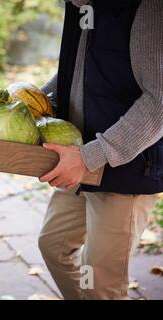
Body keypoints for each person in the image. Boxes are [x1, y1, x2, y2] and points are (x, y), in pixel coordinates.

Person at [38, 0, 163, 299]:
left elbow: (160, 101)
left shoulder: (146, 8)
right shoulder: (83, 6)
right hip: (78, 158)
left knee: (100, 279)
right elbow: (77, 71)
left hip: (126, 167)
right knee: (54, 247)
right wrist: (32, 100)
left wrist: (90, 156)